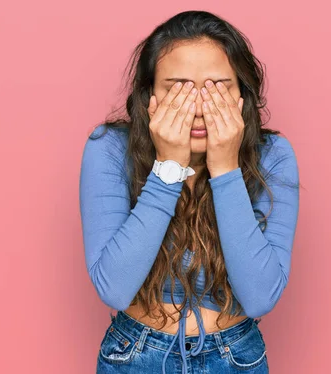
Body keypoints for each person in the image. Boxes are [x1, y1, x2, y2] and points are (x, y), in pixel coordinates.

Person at [79, 10, 300, 374]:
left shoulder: (274, 155)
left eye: (217, 88)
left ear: (242, 96)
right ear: (150, 95)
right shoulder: (109, 148)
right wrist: (168, 166)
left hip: (235, 357)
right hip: (135, 355)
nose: (198, 108)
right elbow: (114, 288)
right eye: (178, 88)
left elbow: (260, 297)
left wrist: (225, 168)